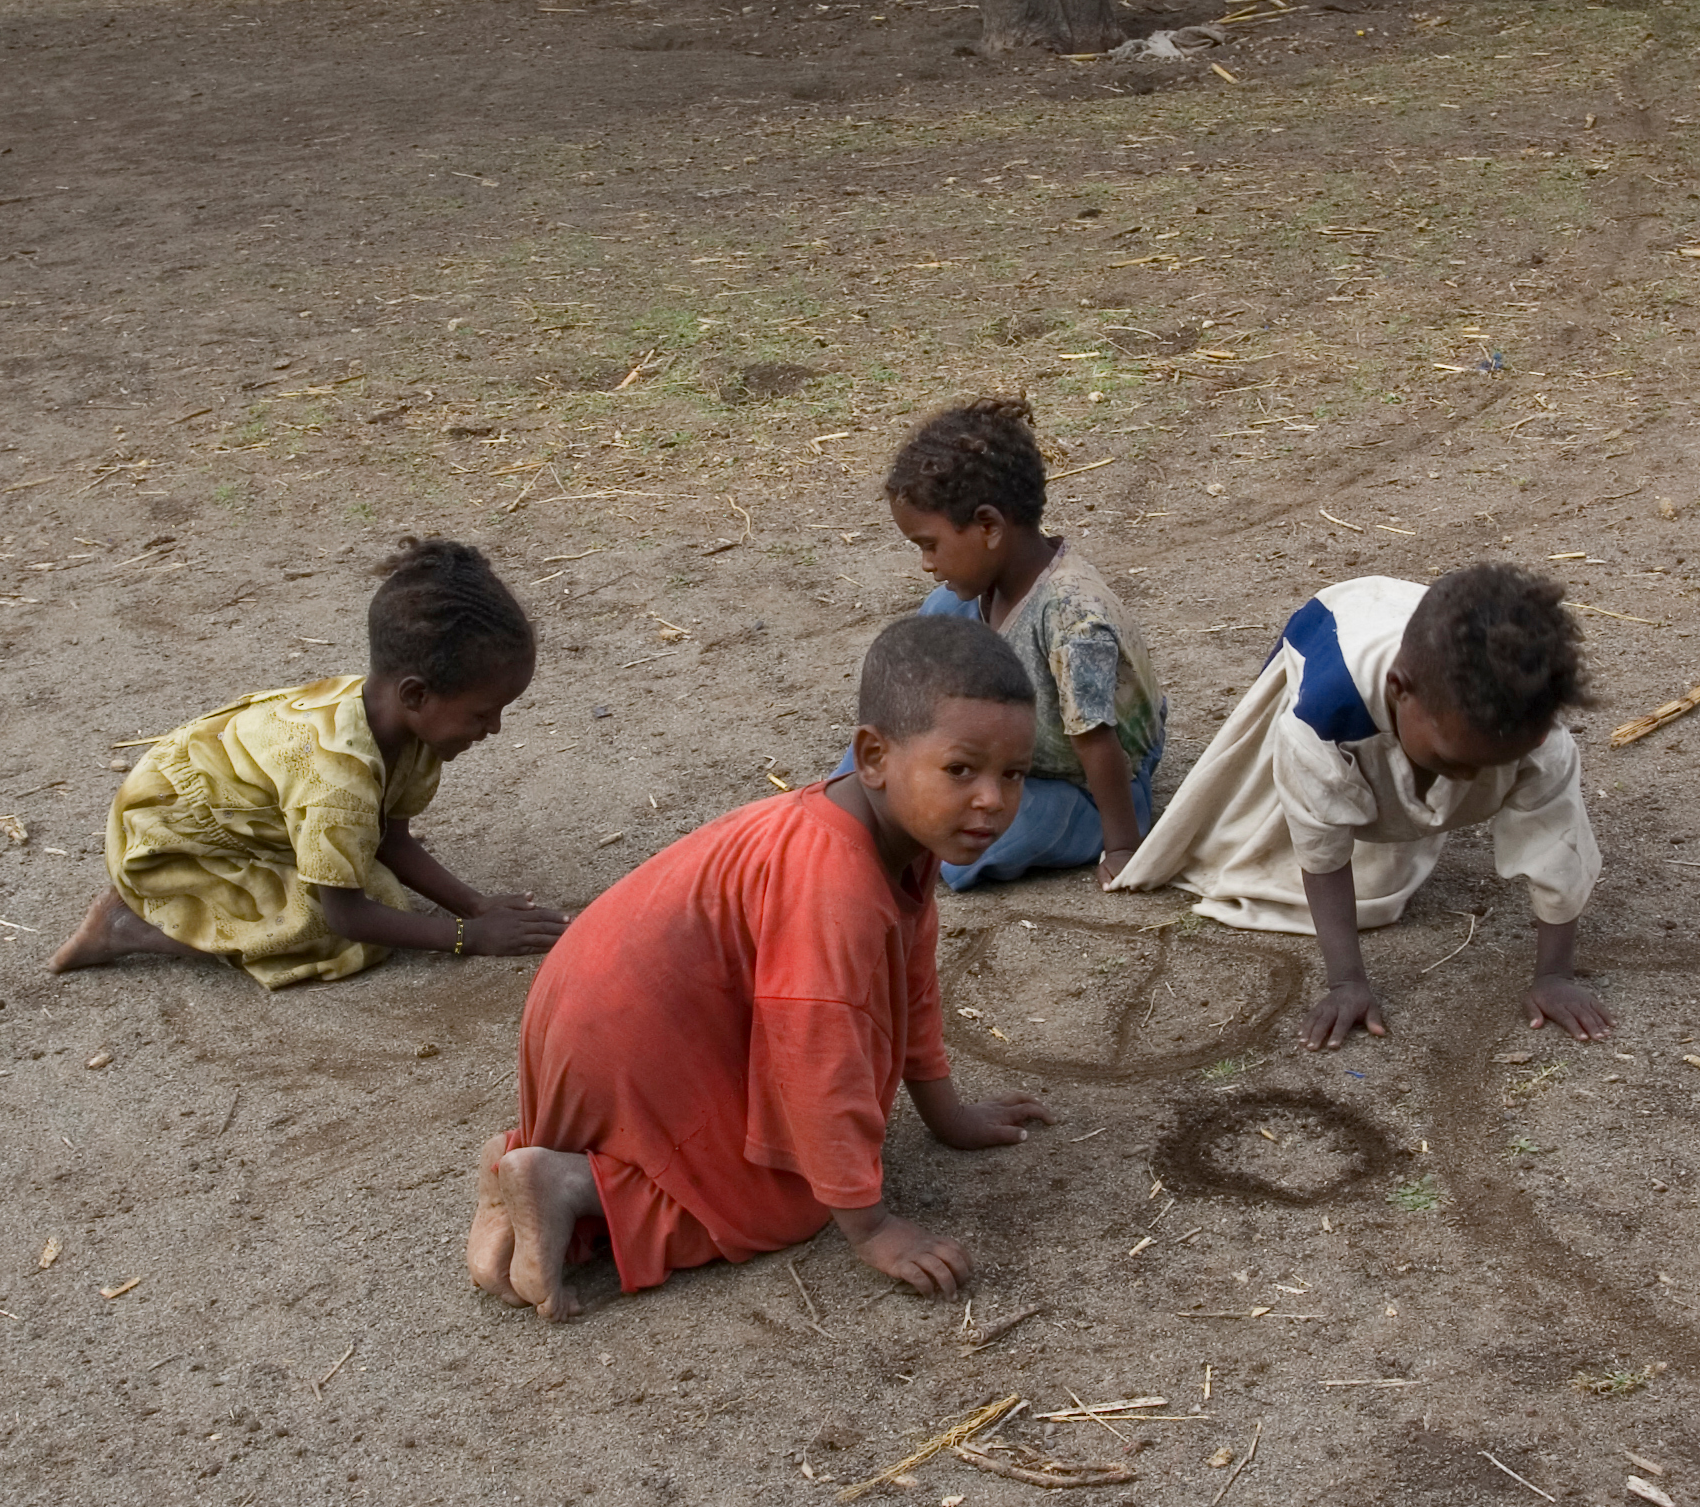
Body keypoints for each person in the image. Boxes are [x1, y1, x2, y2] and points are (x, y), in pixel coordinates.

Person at [468, 613, 1055, 1321]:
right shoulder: (835, 881)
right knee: (794, 1203)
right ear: (872, 756)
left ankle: (540, 1168)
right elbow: (820, 1059)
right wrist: (870, 1228)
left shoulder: (891, 829)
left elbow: (911, 979)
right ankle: (571, 1183)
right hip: (620, 1040)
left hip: (611, 1014)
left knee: (812, 1144)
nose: (992, 800)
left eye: (1014, 774)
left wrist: (947, 1114)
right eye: (961, 769)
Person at [1106, 565, 1610, 1049]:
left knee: (1426, 794)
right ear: (1399, 692)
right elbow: (1321, 852)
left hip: (1425, 656)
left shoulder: (1539, 738)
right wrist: (1346, 981)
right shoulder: (1319, 716)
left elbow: (1557, 849)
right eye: (1454, 761)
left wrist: (1554, 975)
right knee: (1270, 834)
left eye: (1493, 766)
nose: (1471, 781)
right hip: (1329, 627)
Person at [48, 538, 566, 988]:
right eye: (483, 713)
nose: (494, 728)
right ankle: (130, 926)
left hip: (236, 814)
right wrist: (466, 936)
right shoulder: (336, 778)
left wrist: (474, 904)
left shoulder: (400, 723)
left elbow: (390, 835)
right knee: (345, 930)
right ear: (416, 695)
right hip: (173, 836)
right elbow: (348, 917)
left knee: (370, 876)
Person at [871, 397, 1166, 888]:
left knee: (961, 853)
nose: (926, 563)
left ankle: (908, 807)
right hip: (1033, 747)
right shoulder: (991, 584)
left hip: (1090, 784)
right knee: (938, 619)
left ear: (988, 527)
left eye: (930, 544)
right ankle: (868, 793)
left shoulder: (1072, 619)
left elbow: (1096, 743)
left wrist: (1122, 847)